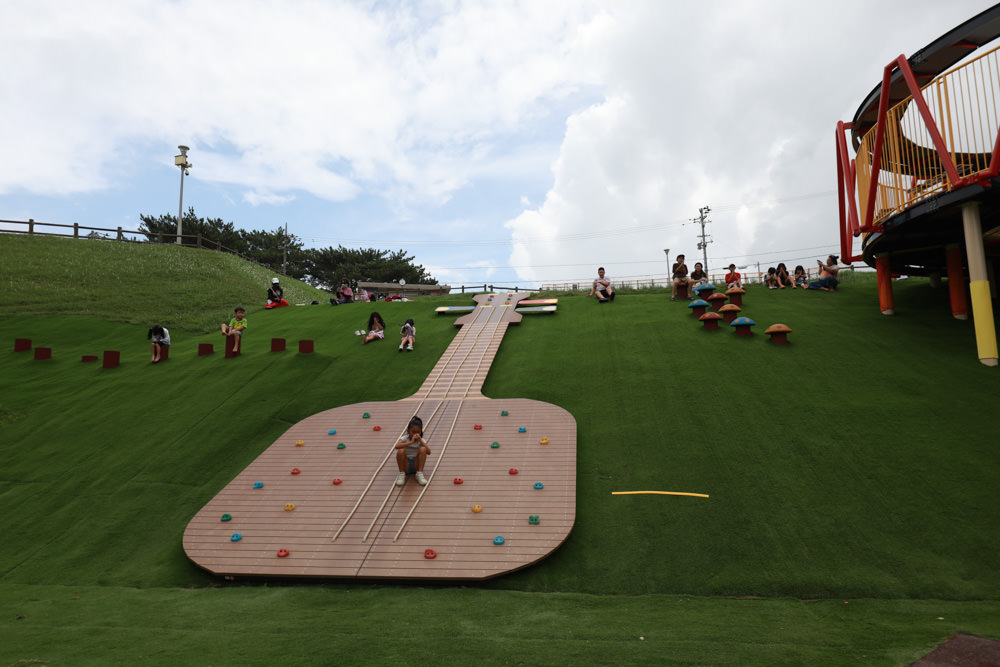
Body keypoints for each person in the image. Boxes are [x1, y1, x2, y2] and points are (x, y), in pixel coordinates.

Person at [395, 415, 430, 486]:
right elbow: (397, 446)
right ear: (408, 431)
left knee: (423, 449)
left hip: (416, 464)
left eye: (418, 432)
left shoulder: (421, 440)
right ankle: (402, 474)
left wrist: (421, 442)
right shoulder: (405, 438)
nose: (416, 434)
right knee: (401, 451)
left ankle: (419, 473)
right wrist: (411, 442)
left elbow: (429, 452)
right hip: (406, 464)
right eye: (413, 432)